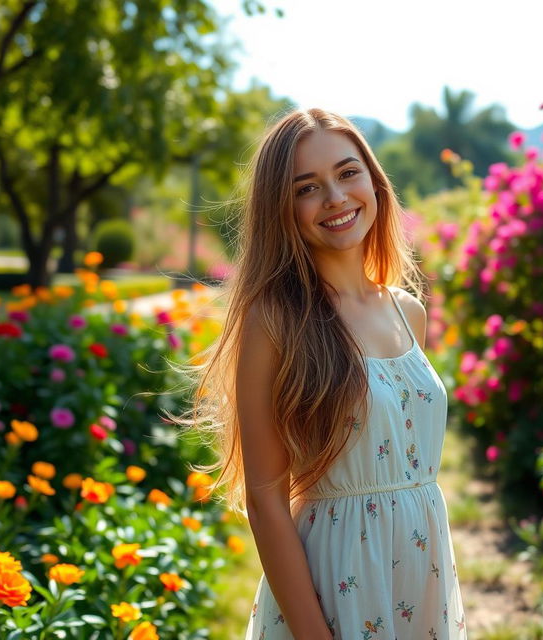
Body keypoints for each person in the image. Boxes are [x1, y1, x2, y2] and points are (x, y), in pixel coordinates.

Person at [183, 108, 468, 640]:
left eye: (347, 172)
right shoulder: (277, 322)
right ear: (282, 209)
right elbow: (266, 498)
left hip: (421, 571)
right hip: (336, 585)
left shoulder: (408, 311)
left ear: (375, 182)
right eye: (306, 188)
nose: (335, 198)